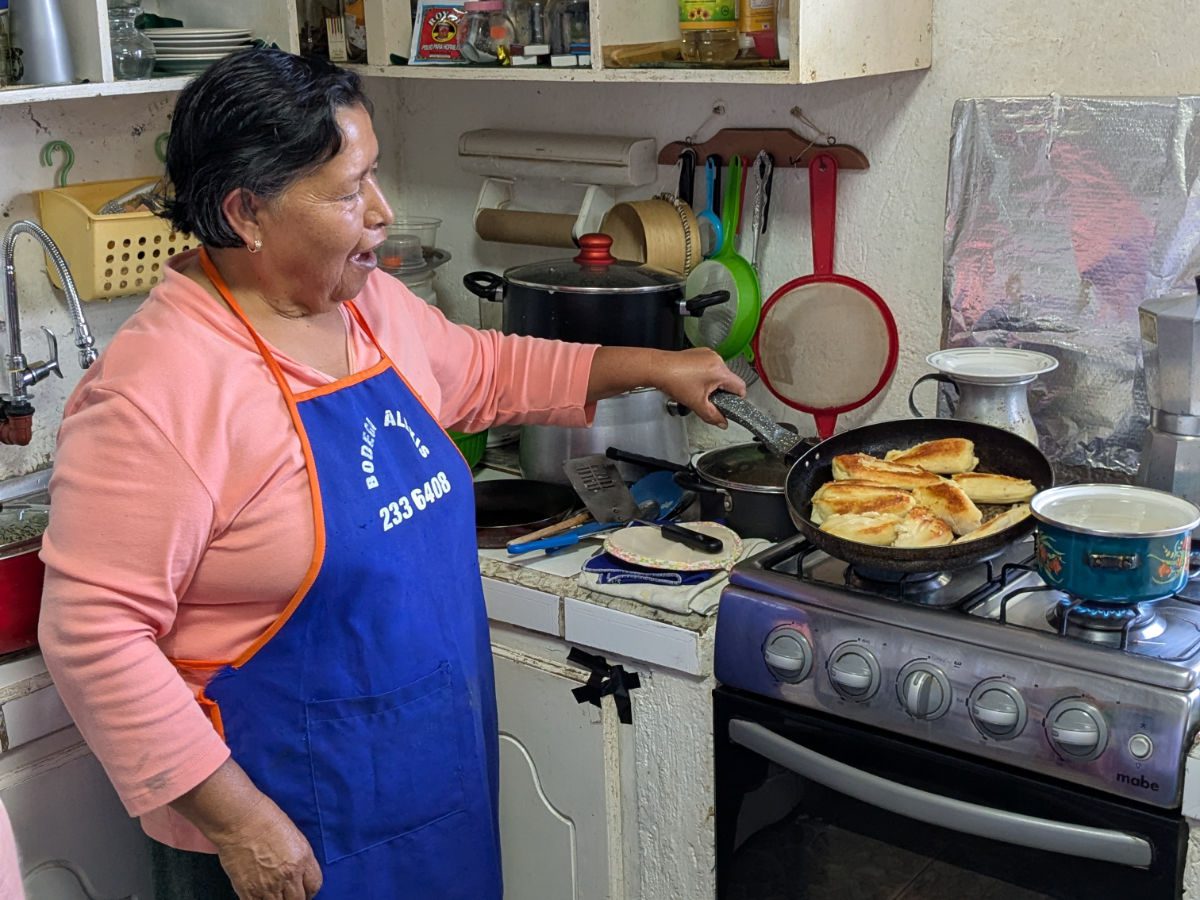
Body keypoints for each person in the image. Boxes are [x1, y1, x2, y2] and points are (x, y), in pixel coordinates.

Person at [37, 48, 743, 900]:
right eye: (347, 192)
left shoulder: (363, 306)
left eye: (374, 177)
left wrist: (654, 365)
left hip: (428, 783)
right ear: (245, 212)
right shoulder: (161, 392)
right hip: (281, 828)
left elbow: (483, 369)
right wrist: (238, 824)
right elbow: (94, 636)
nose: (381, 212)